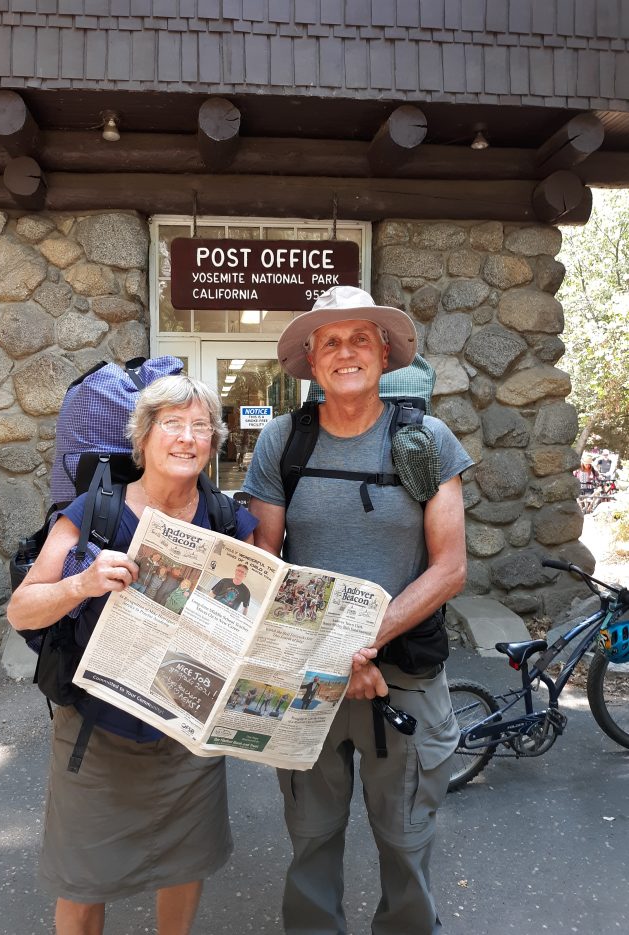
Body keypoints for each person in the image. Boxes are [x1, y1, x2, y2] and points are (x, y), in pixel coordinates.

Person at [243, 285, 473, 935]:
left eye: (360, 338)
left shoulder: (425, 438)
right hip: (307, 678)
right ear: (312, 360)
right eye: (331, 341)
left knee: (405, 840)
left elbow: (449, 566)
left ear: (384, 353)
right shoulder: (284, 441)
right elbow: (267, 562)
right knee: (311, 839)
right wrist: (330, 652)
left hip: (401, 678)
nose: (346, 352)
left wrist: (360, 643)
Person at [7, 375, 258, 935]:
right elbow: (21, 610)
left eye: (201, 427)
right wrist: (81, 584)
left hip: (186, 731)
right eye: (172, 423)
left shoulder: (226, 519)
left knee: (184, 864)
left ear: (214, 443)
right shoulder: (95, 511)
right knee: (84, 878)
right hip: (98, 733)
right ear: (142, 439)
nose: (187, 438)